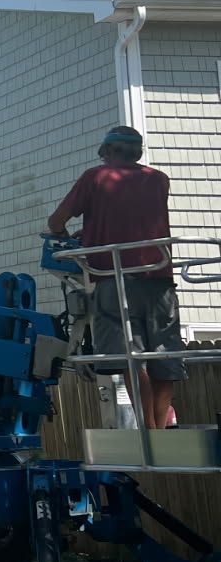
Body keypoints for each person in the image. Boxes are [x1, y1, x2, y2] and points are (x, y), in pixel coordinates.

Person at [48, 125, 185, 428]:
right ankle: (161, 431)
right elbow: (132, 216)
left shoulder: (96, 178)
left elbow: (56, 220)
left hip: (113, 278)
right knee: (163, 357)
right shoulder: (159, 179)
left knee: (130, 359)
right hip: (159, 280)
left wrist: (67, 238)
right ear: (137, 152)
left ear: (107, 152)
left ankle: (149, 434)